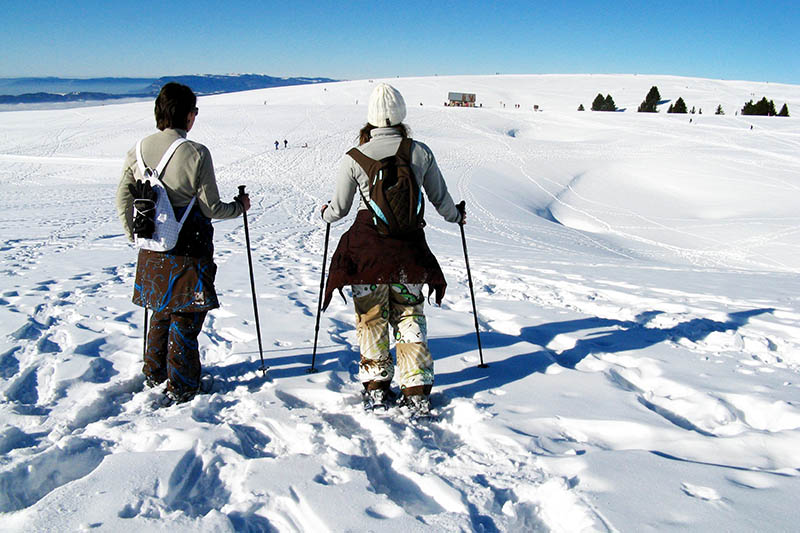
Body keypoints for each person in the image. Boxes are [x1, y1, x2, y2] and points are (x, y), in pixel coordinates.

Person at [319, 83, 464, 417]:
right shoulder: (420, 152)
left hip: (366, 253)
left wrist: (323, 213)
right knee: (409, 316)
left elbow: (339, 210)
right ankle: (415, 389)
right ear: (401, 115)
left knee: (371, 318)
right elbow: (442, 202)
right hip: (408, 254)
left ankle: (376, 386)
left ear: (371, 119)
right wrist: (458, 216)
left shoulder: (355, 157)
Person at [116, 82, 250, 405]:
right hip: (190, 250)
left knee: (160, 310)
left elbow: (123, 196)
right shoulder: (196, 153)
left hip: (151, 249)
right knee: (186, 318)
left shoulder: (137, 150)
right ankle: (184, 385)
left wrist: (135, 234)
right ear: (188, 116)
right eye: (194, 112)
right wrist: (239, 207)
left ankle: (154, 372)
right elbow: (210, 208)